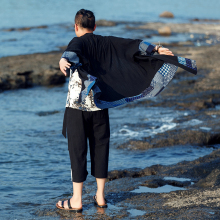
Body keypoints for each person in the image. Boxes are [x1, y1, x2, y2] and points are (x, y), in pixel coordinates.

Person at [56, 9, 197, 212]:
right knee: (100, 146)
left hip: (77, 107)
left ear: (76, 26)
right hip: (101, 103)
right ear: (95, 27)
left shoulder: (77, 40)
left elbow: (72, 51)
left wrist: (63, 60)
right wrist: (156, 48)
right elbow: (131, 45)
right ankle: (101, 196)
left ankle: (76, 200)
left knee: (78, 150)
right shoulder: (106, 41)